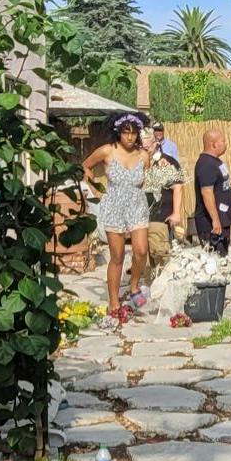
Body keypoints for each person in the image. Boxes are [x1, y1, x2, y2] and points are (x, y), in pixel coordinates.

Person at [83, 113, 152, 318]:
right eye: (125, 132)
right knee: (117, 255)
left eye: (133, 133)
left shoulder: (143, 156)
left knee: (141, 251)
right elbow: (85, 165)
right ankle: (113, 300)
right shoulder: (107, 151)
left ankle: (133, 285)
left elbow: (146, 181)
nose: (129, 137)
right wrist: (95, 189)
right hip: (113, 206)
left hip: (137, 205)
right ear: (118, 132)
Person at [141, 124, 181, 269]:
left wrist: (176, 213)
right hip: (139, 219)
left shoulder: (166, 162)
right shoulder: (137, 162)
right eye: (141, 147)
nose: (144, 150)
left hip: (159, 217)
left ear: (155, 144)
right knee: (143, 260)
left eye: (147, 148)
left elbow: (177, 187)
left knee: (160, 256)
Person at [193, 124, 231, 254]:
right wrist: (215, 220)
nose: (226, 143)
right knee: (214, 258)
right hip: (210, 223)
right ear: (214, 144)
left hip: (223, 219)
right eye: (223, 141)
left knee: (223, 255)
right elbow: (206, 192)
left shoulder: (215, 162)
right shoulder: (206, 164)